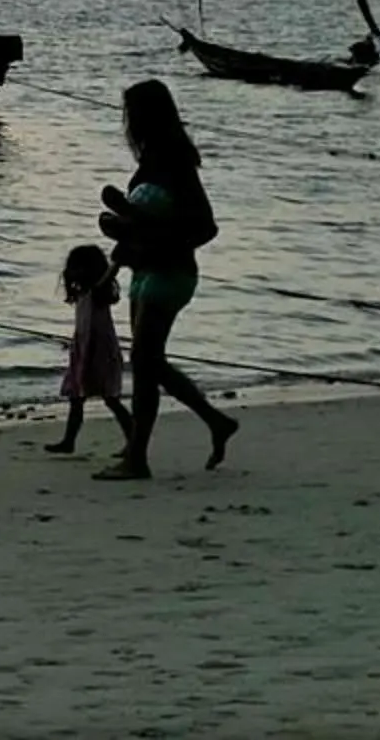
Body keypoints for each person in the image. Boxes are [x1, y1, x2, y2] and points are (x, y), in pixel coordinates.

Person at [93, 78, 238, 481]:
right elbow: (139, 230)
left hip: (171, 274)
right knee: (147, 362)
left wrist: (141, 224)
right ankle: (210, 422)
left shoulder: (175, 165)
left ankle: (138, 458)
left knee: (144, 361)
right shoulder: (152, 163)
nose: (126, 123)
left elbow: (204, 227)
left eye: (129, 115)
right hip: (145, 272)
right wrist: (117, 241)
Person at [47, 243, 133, 456]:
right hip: (83, 352)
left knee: (111, 399)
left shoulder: (96, 292)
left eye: (78, 267)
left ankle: (134, 440)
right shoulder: (83, 295)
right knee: (76, 398)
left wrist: (118, 258)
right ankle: (68, 442)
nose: (73, 272)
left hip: (100, 354)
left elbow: (110, 274)